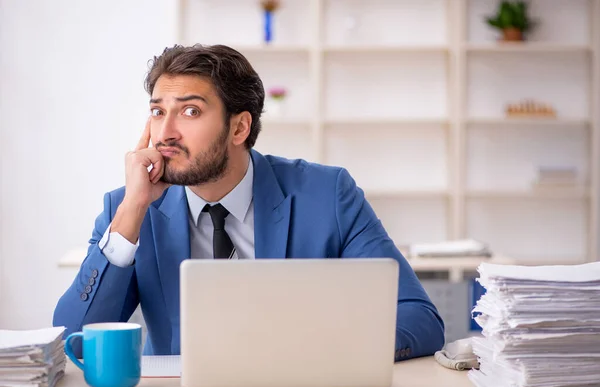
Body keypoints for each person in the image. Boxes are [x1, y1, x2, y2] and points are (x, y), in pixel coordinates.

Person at [53, 44, 445, 361]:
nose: (165, 134)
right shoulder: (128, 210)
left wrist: (314, 352)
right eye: (157, 112)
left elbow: (419, 319)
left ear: (239, 127)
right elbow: (75, 340)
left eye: (190, 111)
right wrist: (132, 213)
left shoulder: (328, 195)